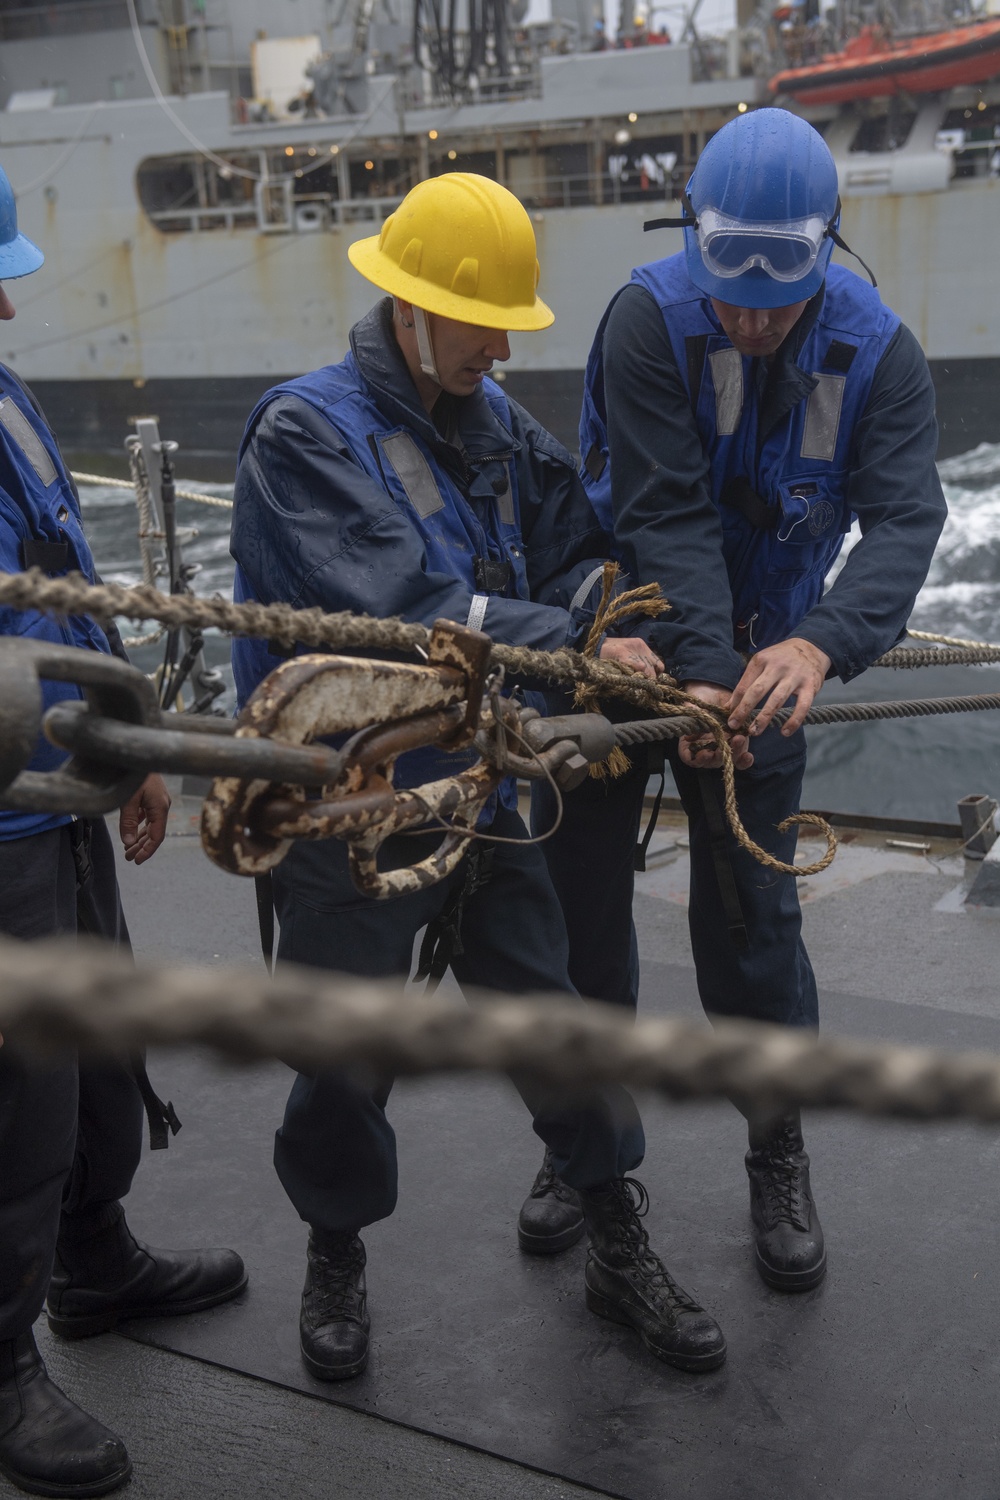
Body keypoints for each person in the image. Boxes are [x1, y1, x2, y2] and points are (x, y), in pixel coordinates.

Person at [229, 172, 728, 1383]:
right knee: (346, 1052)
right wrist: (569, 638)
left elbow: (581, 554)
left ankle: (616, 1239)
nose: (501, 348)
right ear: (408, 309)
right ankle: (335, 1251)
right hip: (348, 801)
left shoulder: (498, 427)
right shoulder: (305, 435)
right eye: (481, 324)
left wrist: (643, 642)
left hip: (485, 789)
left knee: (553, 1018)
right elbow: (409, 611)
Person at [538, 108, 947, 1294]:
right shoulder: (642, 322)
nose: (754, 319)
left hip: (766, 672)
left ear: (827, 252)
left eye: (779, 297)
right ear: (694, 247)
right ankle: (583, 1155)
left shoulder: (881, 354)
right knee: (583, 921)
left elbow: (906, 518)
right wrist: (704, 671)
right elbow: (661, 511)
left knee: (754, 931)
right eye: (731, 291)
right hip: (621, 662)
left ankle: (778, 1150)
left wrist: (820, 647)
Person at [0, 165, 247, 1500]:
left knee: (100, 1054)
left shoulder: (9, 400)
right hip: (0, 818)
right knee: (18, 1096)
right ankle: (2, 1365)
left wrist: (134, 737)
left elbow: (63, 582)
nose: (2, 298)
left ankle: (93, 1261)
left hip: (62, 783)